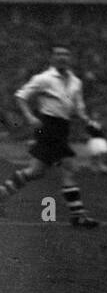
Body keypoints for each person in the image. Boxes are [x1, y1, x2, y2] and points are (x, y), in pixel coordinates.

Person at [0, 44, 100, 226]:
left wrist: (88, 121)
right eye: (58, 54)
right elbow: (21, 96)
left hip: (63, 128)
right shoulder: (44, 79)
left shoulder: (76, 82)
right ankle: (78, 214)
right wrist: (30, 116)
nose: (62, 57)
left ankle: (1, 195)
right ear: (52, 58)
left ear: (70, 58)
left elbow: (78, 107)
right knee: (69, 167)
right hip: (48, 126)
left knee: (35, 172)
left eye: (65, 54)